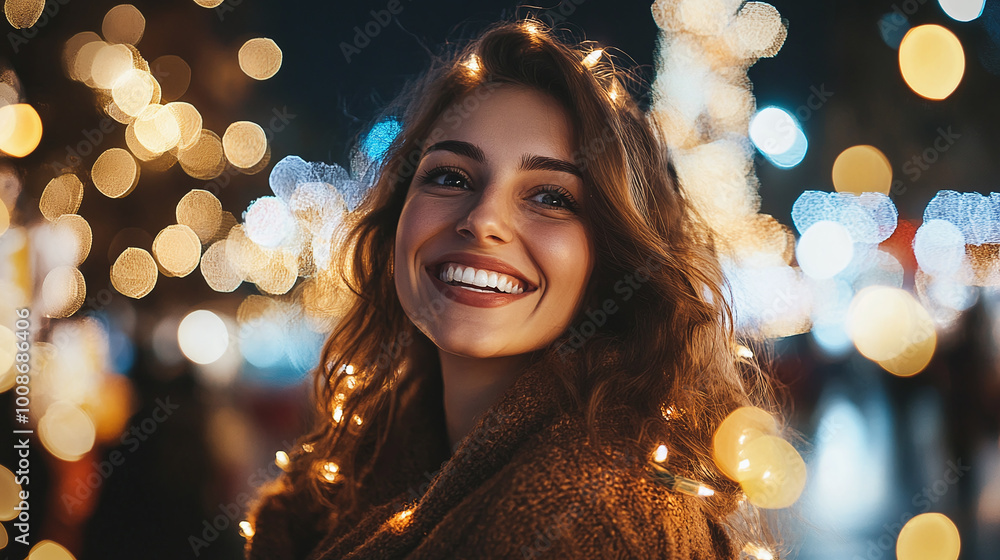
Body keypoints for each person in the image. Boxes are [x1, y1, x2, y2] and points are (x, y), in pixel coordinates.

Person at [245, 17, 781, 560]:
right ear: (395, 219)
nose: (483, 220)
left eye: (551, 197)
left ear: (615, 260)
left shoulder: (590, 525)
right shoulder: (367, 463)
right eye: (450, 177)